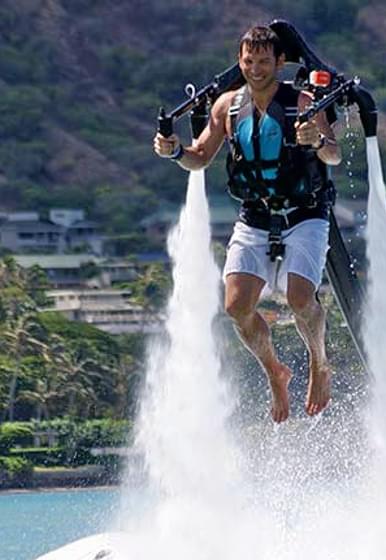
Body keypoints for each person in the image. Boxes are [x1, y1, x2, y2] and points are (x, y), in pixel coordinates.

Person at [153, 25, 342, 424]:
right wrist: (174, 153)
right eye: (248, 61)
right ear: (240, 62)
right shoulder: (227, 106)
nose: (255, 68)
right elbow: (199, 157)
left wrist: (316, 141)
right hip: (254, 216)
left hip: (304, 213)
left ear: (279, 63)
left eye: (263, 61)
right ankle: (275, 370)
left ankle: (319, 362)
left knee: (300, 299)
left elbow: (334, 157)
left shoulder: (304, 102)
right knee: (236, 306)